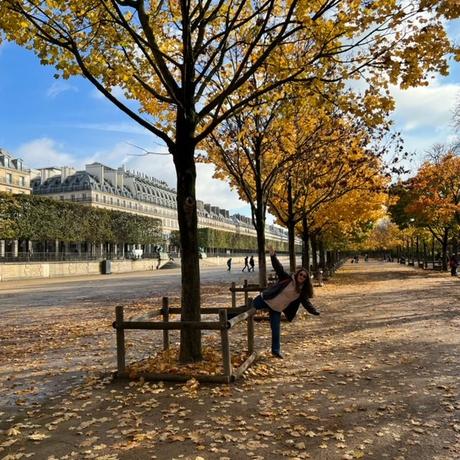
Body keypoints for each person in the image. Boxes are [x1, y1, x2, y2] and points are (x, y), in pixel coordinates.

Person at [252, 247, 320, 358]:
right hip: (266, 299)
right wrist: (273, 256)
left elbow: (307, 303)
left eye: (304, 276)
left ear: (306, 279)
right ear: (297, 274)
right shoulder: (287, 278)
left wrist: (315, 311)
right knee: (247, 309)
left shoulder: (301, 292)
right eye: (300, 274)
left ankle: (276, 351)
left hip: (277, 309)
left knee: (276, 329)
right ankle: (229, 316)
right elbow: (279, 268)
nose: (301, 277)